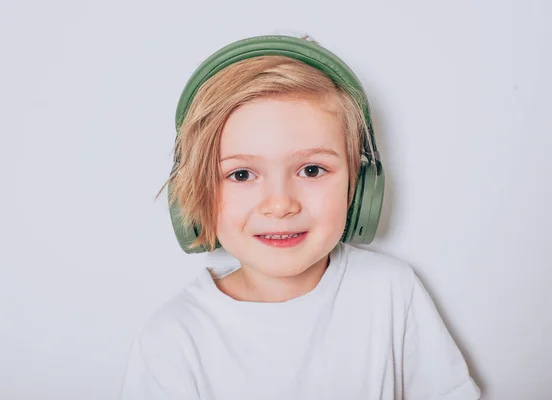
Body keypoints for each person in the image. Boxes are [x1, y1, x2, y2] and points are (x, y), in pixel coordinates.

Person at [119, 34, 481, 400]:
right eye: (241, 174)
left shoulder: (390, 292)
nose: (280, 205)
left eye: (311, 170)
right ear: (193, 198)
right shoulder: (172, 339)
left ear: (360, 188)